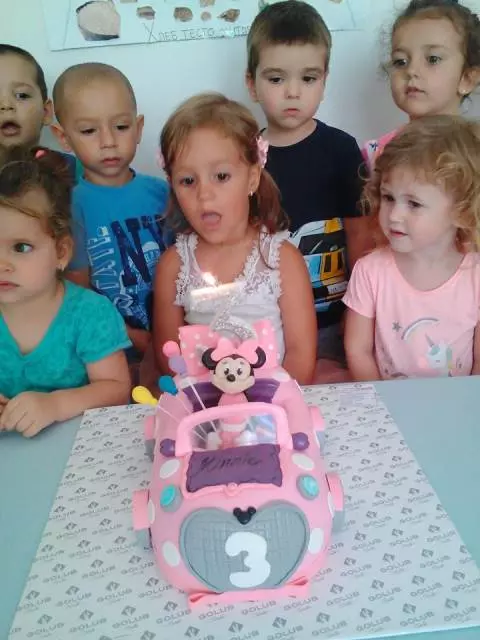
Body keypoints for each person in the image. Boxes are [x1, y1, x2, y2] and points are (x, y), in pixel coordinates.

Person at [153, 92, 317, 385]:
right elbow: (170, 359)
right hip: (203, 405)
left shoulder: (282, 259)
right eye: (188, 181)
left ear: (252, 178)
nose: (204, 195)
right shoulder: (173, 266)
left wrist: (265, 404)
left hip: (272, 405)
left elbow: (301, 355)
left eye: (221, 176)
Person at [246, 1, 370, 377]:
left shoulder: (341, 149)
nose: (293, 92)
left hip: (336, 319)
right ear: (251, 84)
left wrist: (357, 312)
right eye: (276, 79)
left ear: (324, 81)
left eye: (308, 78)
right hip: (269, 324)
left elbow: (360, 237)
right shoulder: (243, 157)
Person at [0, 148, 131, 438]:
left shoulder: (90, 315)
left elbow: (117, 390)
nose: (2, 265)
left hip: (84, 451)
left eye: (21, 247)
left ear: (61, 252)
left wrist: (55, 405)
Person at [344, 115, 480, 381]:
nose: (394, 215)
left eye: (414, 204)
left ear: (461, 211)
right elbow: (357, 350)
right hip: (387, 402)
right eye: (388, 197)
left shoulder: (475, 276)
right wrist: (381, 399)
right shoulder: (370, 271)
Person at [51, 62, 170, 363]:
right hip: (112, 347)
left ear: (138, 128)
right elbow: (77, 290)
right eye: (89, 130)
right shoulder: (71, 207)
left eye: (121, 127)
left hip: (176, 334)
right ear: (63, 138)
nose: (108, 141)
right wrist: (130, 335)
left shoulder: (163, 192)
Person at [363, 0, 480, 170]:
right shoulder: (379, 153)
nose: (411, 70)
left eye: (433, 59)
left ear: (467, 79)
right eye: (401, 61)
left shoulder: (475, 151)